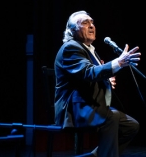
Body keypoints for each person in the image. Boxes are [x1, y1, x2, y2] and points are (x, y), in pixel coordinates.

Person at [54, 10, 141, 157]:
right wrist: (119, 62)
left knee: (131, 126)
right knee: (111, 117)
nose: (91, 26)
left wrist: (106, 81)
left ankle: (94, 156)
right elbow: (88, 73)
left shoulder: (89, 50)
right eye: (85, 23)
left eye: (92, 22)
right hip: (74, 109)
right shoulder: (71, 48)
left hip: (89, 105)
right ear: (72, 31)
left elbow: (89, 76)